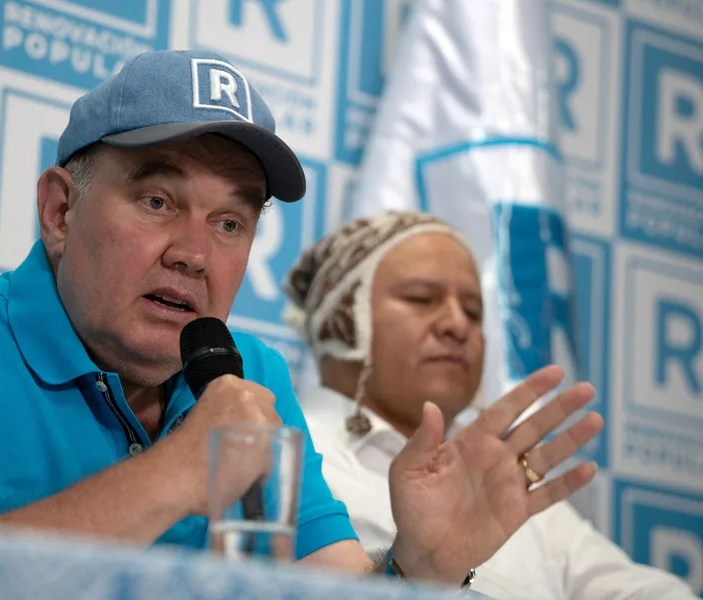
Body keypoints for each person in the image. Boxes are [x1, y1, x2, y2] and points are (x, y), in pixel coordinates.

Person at [0, 49, 601, 588]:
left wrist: (419, 572)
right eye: (158, 201)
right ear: (60, 208)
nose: (195, 254)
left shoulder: (249, 376)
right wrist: (183, 469)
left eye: (230, 222)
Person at [284, 210, 697, 598]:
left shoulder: (501, 479)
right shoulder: (283, 451)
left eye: (473, 310)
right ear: (338, 318)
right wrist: (423, 566)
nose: (457, 324)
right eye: (422, 297)